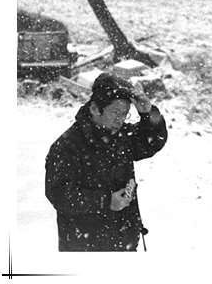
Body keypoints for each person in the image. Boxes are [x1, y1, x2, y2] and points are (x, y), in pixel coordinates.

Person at [45, 72, 168, 252]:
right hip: (84, 248)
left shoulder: (121, 136)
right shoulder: (67, 146)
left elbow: (152, 142)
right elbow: (59, 194)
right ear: (95, 109)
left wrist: (148, 113)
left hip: (124, 243)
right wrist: (106, 201)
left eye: (125, 114)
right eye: (115, 113)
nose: (120, 120)